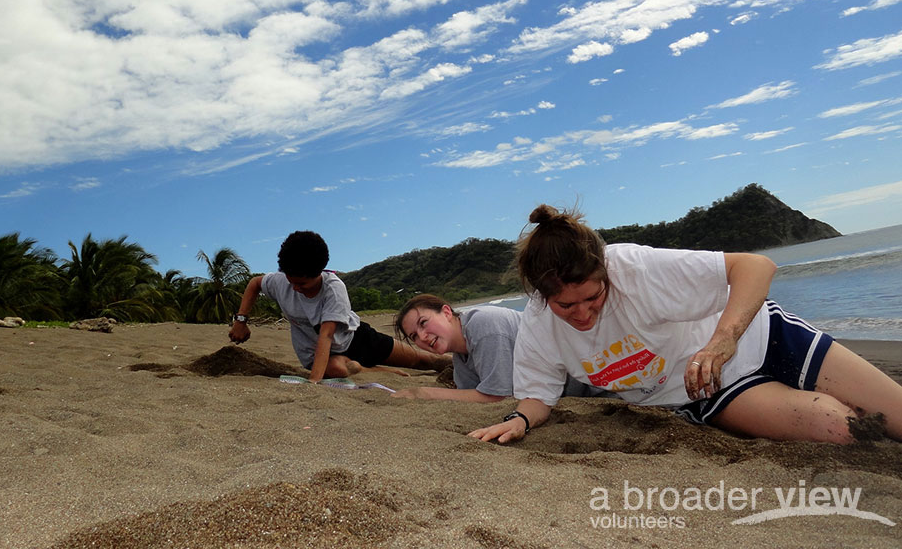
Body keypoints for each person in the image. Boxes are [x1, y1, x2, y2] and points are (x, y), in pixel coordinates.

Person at [470, 204, 902, 445]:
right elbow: (539, 395)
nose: (581, 314)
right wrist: (519, 421)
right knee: (844, 431)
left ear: (604, 273)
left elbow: (754, 266)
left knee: (896, 415)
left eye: (592, 297)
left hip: (763, 337)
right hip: (709, 392)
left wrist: (721, 342)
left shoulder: (631, 267)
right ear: (543, 297)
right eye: (566, 306)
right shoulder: (538, 323)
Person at [228, 231, 449, 382]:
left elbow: (326, 335)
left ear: (320, 273)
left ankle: (465, 365)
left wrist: (313, 382)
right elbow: (255, 283)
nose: (295, 288)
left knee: (425, 360)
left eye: (302, 283)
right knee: (336, 370)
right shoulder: (280, 281)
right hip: (320, 356)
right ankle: (370, 370)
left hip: (358, 340)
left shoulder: (333, 289)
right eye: (290, 281)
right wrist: (241, 321)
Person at [392, 293, 609, 402]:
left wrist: (424, 392)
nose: (422, 337)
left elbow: (497, 397)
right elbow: (471, 396)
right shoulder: (461, 355)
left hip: (598, 385)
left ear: (447, 312)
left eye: (423, 323)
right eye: (414, 336)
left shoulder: (484, 325)